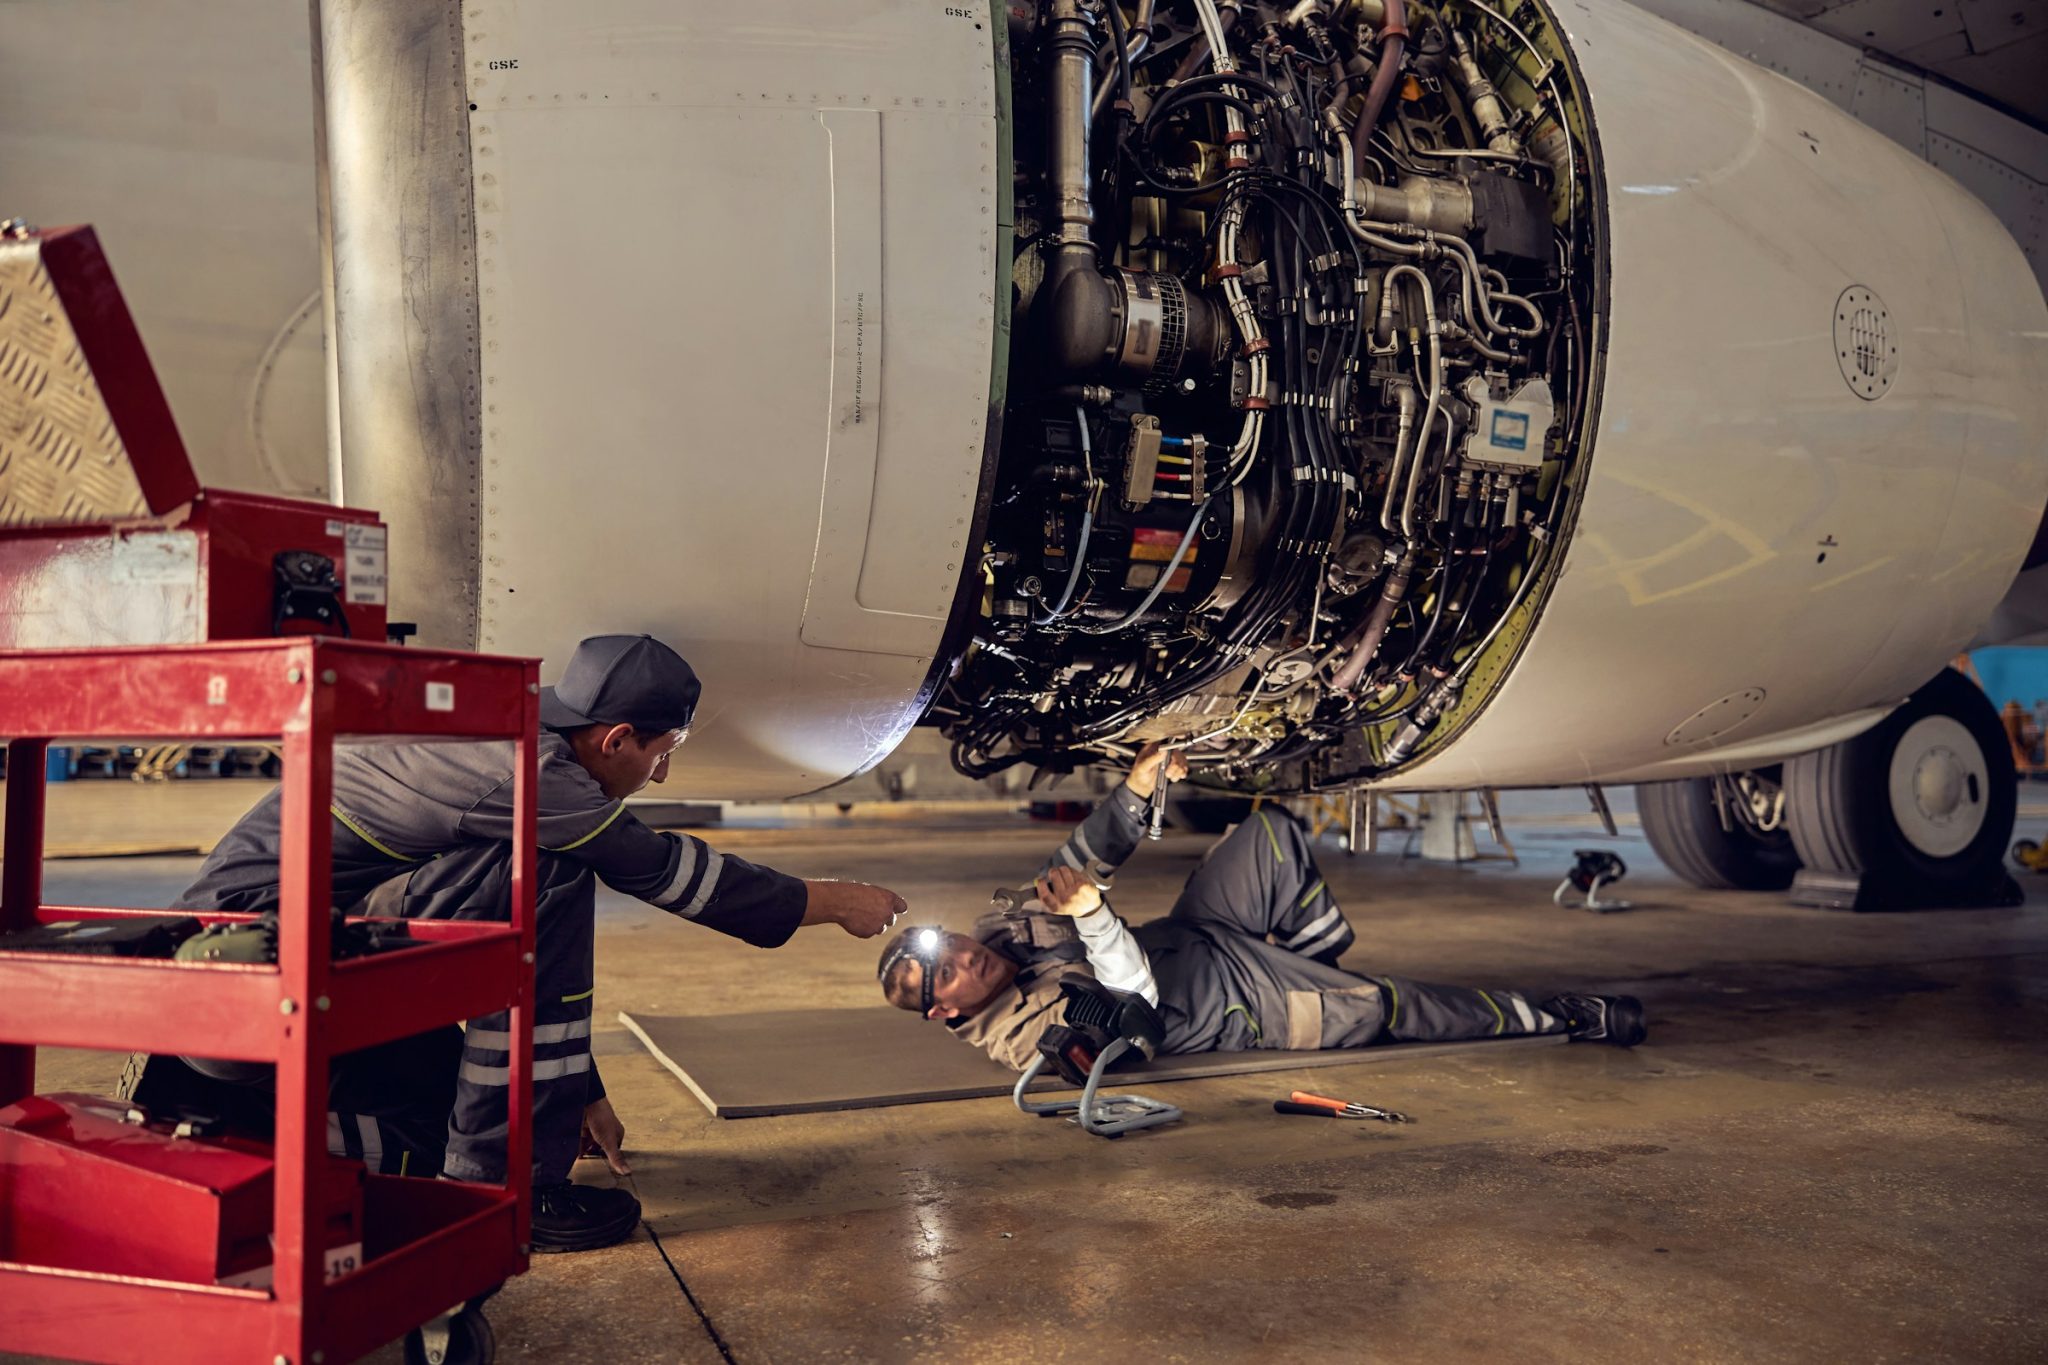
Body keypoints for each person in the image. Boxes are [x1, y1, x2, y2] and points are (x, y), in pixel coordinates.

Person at [149, 634, 906, 1252]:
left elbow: (528, 961)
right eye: (662, 751)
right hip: (250, 969)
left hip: (261, 977)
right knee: (549, 875)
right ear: (615, 738)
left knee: (441, 1117)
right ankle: (510, 1186)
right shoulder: (539, 778)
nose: (662, 770)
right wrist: (836, 900)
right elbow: (664, 870)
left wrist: (579, 1090)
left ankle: (224, 1120)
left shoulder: (508, 735)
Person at [877, 744, 1643, 1070]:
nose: (959, 962)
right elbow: (1136, 1016)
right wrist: (1095, 916)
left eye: (941, 951)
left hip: (1203, 934)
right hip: (1243, 1005)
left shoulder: (998, 932)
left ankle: (1315, 963)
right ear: (946, 1013)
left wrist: (1139, 788)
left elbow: (1074, 865)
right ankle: (1564, 1016)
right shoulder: (1026, 1037)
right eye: (941, 980)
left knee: (1269, 834)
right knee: (1394, 1006)